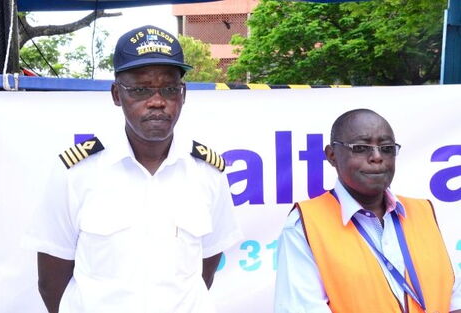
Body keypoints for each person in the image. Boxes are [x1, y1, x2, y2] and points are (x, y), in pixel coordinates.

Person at [26, 25, 242, 313]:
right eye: (140, 89)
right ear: (117, 94)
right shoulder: (76, 173)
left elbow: (206, 269)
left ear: (183, 94)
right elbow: (51, 282)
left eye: (169, 89)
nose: (157, 102)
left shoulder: (207, 172)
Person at [274, 108, 461, 313]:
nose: (377, 157)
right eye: (361, 148)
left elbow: (454, 297)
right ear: (332, 155)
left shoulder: (423, 212)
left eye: (387, 148)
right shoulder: (305, 225)